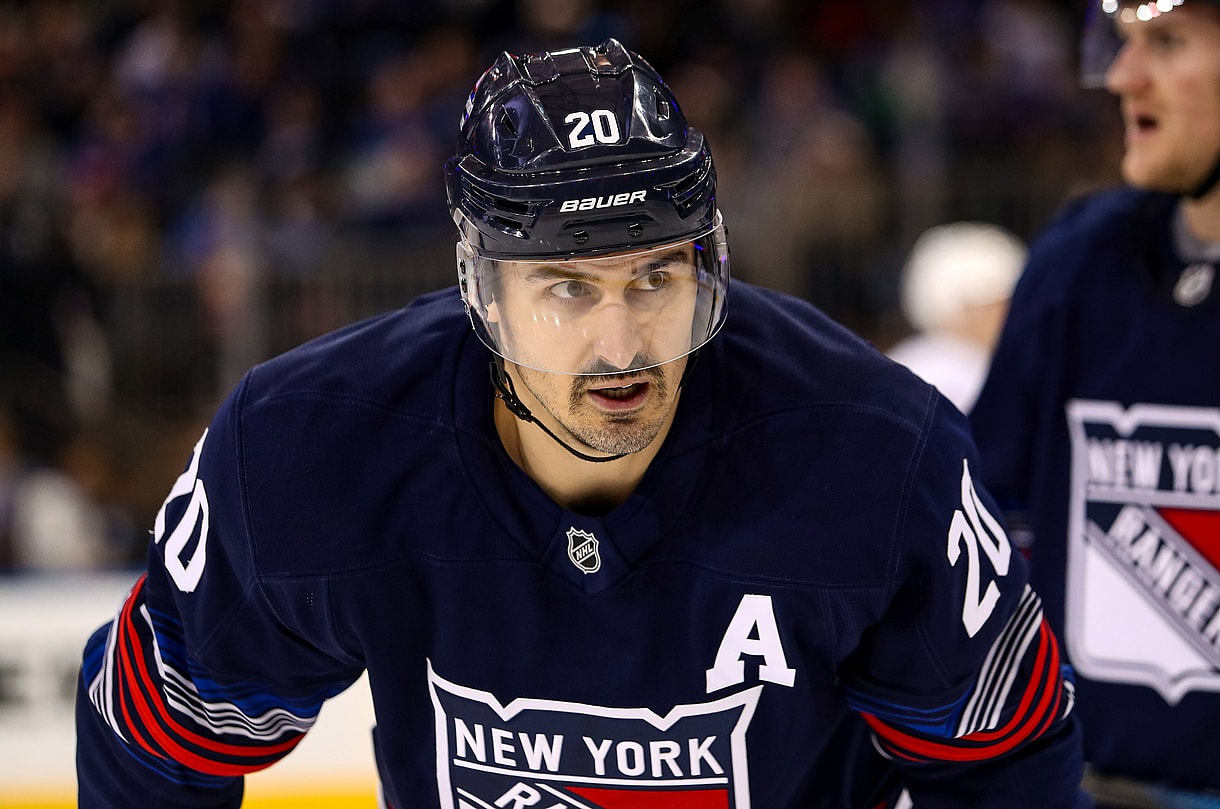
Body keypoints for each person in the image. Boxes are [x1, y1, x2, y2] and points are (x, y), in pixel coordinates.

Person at [75, 39, 1090, 808]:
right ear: (482, 289)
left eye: (653, 277)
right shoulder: (306, 447)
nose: (621, 347)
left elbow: (999, 754)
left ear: (707, 265)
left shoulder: (873, 449)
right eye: (566, 287)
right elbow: (157, 735)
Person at [969, 2, 1220, 806]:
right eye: (1125, 42)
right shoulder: (1082, 257)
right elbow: (986, 515)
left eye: (1169, 42)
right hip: (1083, 779)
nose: (1122, 76)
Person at [887, 221, 1026, 414]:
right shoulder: (940, 372)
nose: (1007, 313)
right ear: (962, 307)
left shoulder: (913, 360)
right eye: (994, 304)